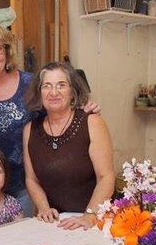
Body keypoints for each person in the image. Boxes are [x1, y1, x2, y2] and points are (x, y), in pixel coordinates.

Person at [0, 22, 100, 217]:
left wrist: (84, 108)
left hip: (24, 189)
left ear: (8, 52)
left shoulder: (30, 84)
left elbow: (58, 111)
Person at [22, 61, 115, 230]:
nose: (54, 92)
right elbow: (31, 179)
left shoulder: (92, 122)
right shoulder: (30, 130)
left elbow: (106, 177)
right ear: (39, 92)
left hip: (94, 221)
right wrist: (44, 208)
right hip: (55, 223)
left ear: (73, 91)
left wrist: (89, 215)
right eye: (47, 86)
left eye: (61, 85)